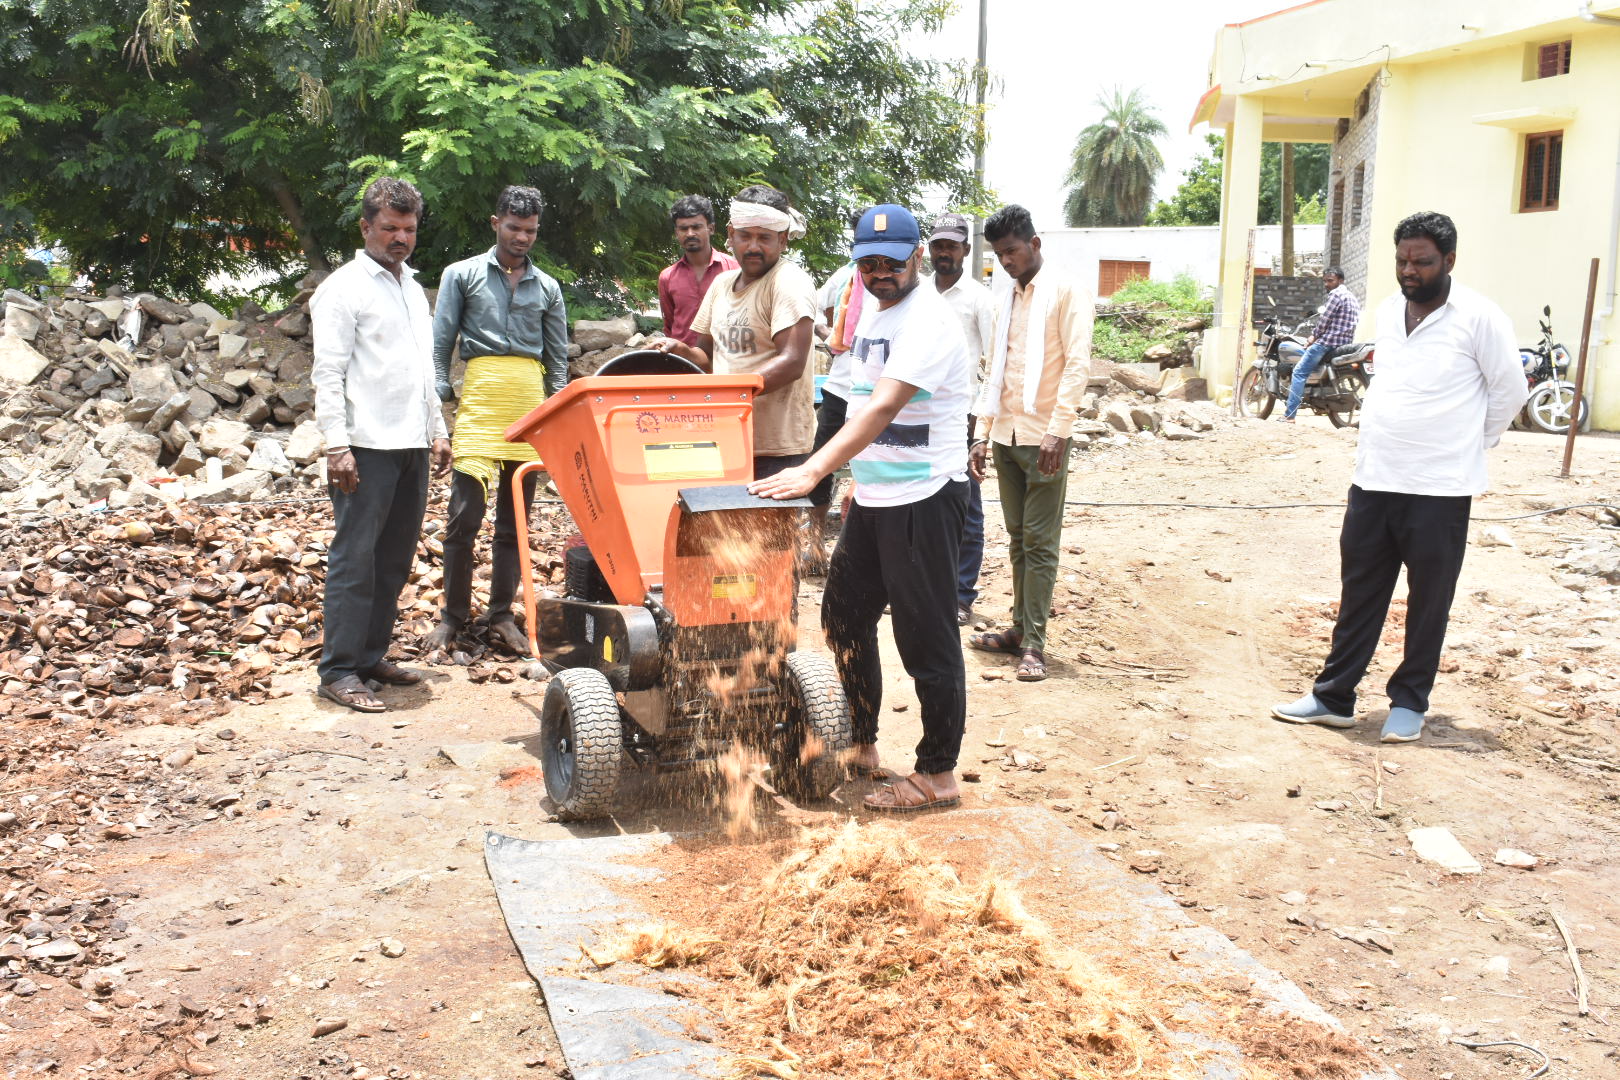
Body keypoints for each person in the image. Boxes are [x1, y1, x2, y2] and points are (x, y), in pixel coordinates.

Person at [1272, 211, 1526, 743]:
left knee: (1428, 598)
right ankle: (1333, 697)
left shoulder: (1479, 317)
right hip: (1375, 478)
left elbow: (1509, 392)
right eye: (1402, 260)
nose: (1409, 270)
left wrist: (1469, 444)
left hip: (1440, 488)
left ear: (1449, 261)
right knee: (1360, 590)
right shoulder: (1388, 312)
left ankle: (1409, 702)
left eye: (1422, 261)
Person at [751, 204, 973, 813]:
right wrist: (855, 481)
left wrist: (814, 470)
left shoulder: (928, 320)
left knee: (925, 634)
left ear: (917, 257)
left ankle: (937, 773)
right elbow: (852, 403)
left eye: (892, 263)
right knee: (844, 617)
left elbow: (883, 410)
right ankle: (861, 741)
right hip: (876, 497)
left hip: (924, 499)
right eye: (868, 263)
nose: (881, 273)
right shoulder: (877, 312)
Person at [310, 177, 451, 712]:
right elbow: (327, 373)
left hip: (410, 443)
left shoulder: (411, 287)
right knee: (355, 558)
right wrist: (335, 446)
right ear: (366, 227)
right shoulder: (344, 289)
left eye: (409, 229)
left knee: (393, 558)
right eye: (389, 228)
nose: (400, 238)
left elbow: (422, 367)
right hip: (364, 446)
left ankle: (371, 657)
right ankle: (339, 669)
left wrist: (437, 430)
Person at [422, 185, 569, 657]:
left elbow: (558, 361)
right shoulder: (460, 275)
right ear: (495, 223)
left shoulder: (547, 287)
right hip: (481, 401)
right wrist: (438, 407)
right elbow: (440, 344)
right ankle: (453, 617)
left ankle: (502, 614)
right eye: (513, 228)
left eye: (529, 231)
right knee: (463, 517)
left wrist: (558, 414)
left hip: (527, 405)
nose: (521, 238)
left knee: (515, 523)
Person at [966, 205, 1093, 682]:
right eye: (999, 255)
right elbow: (993, 371)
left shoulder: (1066, 292)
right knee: (1018, 540)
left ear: (1035, 244)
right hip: (1006, 434)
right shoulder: (1007, 301)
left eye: (1013, 252)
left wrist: (1060, 430)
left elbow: (1077, 366)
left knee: (1040, 543)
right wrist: (981, 434)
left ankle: (1035, 643)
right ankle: (1019, 629)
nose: (1007, 262)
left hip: (1045, 437)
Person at [650, 185, 819, 484]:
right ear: (730, 235)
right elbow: (707, 357)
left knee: (768, 531)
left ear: (782, 240)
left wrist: (726, 398)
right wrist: (680, 350)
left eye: (764, 237)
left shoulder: (788, 282)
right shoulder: (722, 284)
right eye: (745, 236)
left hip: (777, 448)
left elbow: (792, 362)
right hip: (726, 435)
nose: (753, 246)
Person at [928, 212, 996, 624]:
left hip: (963, 416)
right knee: (923, 503)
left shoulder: (979, 299)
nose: (944, 253)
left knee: (967, 508)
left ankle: (961, 595)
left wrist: (982, 428)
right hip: (922, 413)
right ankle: (928, 589)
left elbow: (993, 365)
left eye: (952, 246)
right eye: (938, 246)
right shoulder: (917, 293)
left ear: (966, 251)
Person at [805, 206, 873, 571]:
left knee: (875, 465)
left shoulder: (897, 276)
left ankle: (865, 556)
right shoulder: (844, 277)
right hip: (840, 385)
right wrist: (831, 338)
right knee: (821, 461)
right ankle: (814, 548)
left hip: (877, 392)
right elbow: (814, 311)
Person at [657, 194, 738, 347]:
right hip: (682, 362)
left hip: (723, 360)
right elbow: (669, 325)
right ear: (676, 233)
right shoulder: (667, 277)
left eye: (696, 227)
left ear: (711, 228)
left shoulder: (734, 270)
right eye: (683, 228)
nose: (690, 233)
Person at [1283, 266, 1361, 421]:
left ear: (1341, 280)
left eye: (1330, 281)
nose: (1327, 284)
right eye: (1325, 281)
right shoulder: (1352, 297)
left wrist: (1313, 336)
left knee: (1298, 373)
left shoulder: (1336, 295)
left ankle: (1289, 416)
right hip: (1344, 344)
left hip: (1328, 343)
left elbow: (1325, 320)